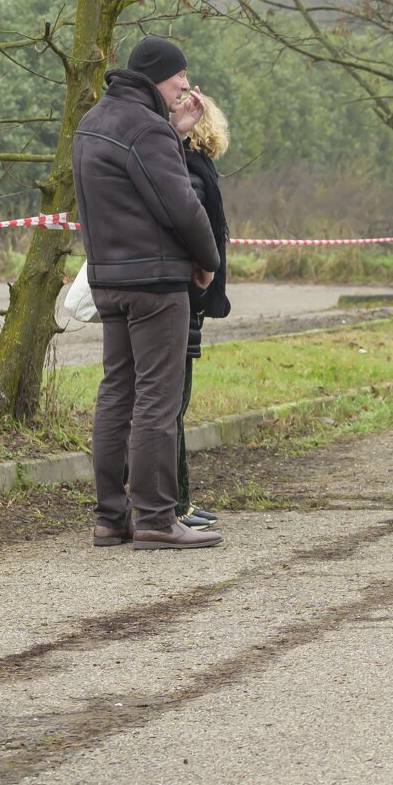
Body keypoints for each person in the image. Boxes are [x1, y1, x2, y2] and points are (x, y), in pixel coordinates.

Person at [72, 36, 222, 550]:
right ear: (159, 76)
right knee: (158, 396)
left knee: (116, 393)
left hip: (108, 281)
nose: (186, 85)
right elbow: (181, 205)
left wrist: (173, 133)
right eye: (180, 76)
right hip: (155, 285)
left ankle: (111, 518)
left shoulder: (93, 122)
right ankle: (157, 518)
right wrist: (208, 261)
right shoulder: (146, 128)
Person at [174, 92, 232, 530]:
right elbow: (193, 227)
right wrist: (206, 270)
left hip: (188, 297)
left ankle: (181, 501)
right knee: (173, 405)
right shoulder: (194, 169)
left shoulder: (193, 166)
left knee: (173, 405)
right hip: (187, 295)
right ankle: (176, 504)